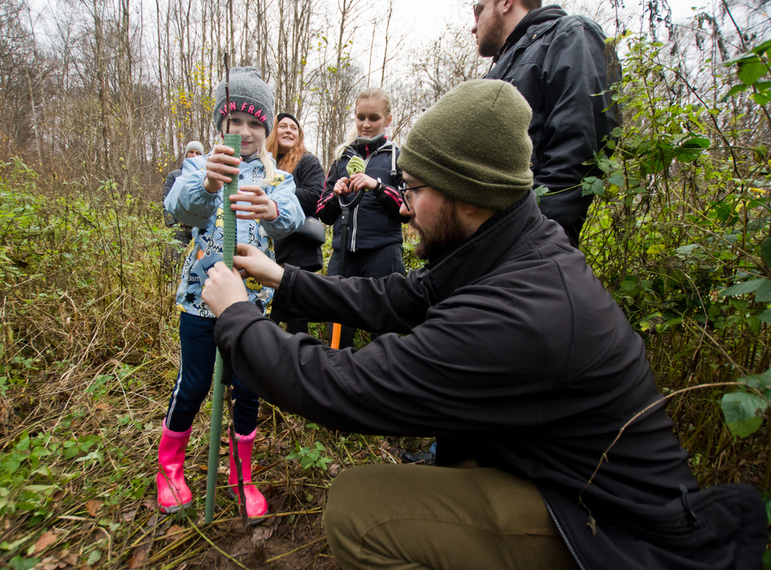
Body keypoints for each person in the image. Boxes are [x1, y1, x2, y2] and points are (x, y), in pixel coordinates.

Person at [200, 80, 767, 569]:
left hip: (618, 540)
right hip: (567, 484)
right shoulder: (513, 245)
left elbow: (347, 387)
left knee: (359, 509)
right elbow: (403, 296)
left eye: (416, 189)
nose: (406, 206)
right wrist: (284, 279)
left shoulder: (522, 310)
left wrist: (238, 316)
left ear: (467, 194)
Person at [158, 67, 304, 520]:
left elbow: (292, 219)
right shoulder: (202, 166)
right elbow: (177, 205)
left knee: (248, 387)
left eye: (254, 123)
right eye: (233, 121)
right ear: (220, 123)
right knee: (195, 383)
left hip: (252, 306)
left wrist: (273, 208)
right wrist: (207, 185)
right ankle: (170, 470)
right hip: (202, 302)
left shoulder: (275, 176)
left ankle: (243, 476)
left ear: (265, 130)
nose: (243, 132)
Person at [473, 0, 620, 248]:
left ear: (506, 3)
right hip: (481, 244)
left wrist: (529, 237)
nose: (473, 27)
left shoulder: (569, 35)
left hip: (524, 248)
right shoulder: (494, 73)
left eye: (478, 10)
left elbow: (579, 150)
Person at [316, 86, 407, 349]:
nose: (365, 124)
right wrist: (336, 194)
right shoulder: (341, 158)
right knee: (338, 329)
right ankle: (336, 381)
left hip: (383, 253)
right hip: (343, 256)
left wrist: (377, 186)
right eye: (360, 117)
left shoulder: (397, 158)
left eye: (373, 118)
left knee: (384, 328)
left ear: (387, 120)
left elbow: (407, 209)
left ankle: (383, 383)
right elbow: (323, 212)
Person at [265, 112, 326, 335]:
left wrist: (278, 195)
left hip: (301, 251)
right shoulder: (268, 163)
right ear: (274, 132)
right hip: (276, 251)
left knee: (296, 318)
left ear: (299, 135)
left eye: (294, 127)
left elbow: (315, 196)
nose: (288, 130)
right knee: (277, 312)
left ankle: (297, 364)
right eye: (283, 126)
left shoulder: (307, 161)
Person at [163, 141, 205, 249]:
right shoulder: (174, 176)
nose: (194, 155)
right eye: (191, 152)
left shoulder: (206, 177)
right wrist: (171, 223)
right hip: (180, 227)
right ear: (186, 154)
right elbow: (166, 200)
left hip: (200, 228)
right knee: (173, 260)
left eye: (197, 153)